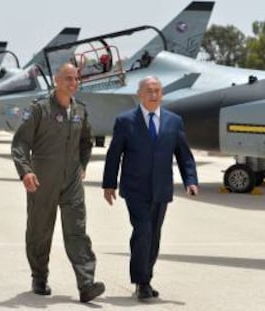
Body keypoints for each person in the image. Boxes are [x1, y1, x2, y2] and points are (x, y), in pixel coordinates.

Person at [11, 63, 105, 303]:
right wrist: (25, 172)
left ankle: (86, 283)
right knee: (40, 230)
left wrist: (83, 165)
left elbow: (87, 141)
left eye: (76, 79)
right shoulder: (39, 109)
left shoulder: (80, 111)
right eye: (68, 78)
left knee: (77, 230)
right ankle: (39, 276)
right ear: (56, 80)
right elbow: (20, 143)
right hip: (43, 179)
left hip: (72, 181)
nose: (73, 83)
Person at [102, 76, 198, 301]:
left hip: (161, 189)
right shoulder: (125, 121)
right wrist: (109, 184)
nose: (153, 94)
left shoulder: (174, 121)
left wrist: (190, 181)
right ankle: (141, 281)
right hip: (135, 189)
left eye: (157, 90)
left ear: (162, 94)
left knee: (154, 235)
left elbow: (184, 155)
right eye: (149, 90)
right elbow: (114, 154)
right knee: (143, 230)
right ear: (139, 95)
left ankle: (146, 278)